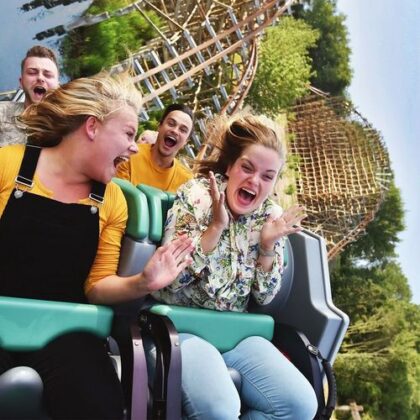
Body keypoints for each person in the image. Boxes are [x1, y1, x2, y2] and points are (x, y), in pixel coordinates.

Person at [0, 72, 193, 419]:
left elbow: (96, 285)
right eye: (129, 133)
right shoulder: (8, 165)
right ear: (92, 127)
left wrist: (143, 282)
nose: (135, 147)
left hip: (63, 333)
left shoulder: (112, 199)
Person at [151, 113, 318, 419]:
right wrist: (214, 229)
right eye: (247, 168)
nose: (255, 181)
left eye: (268, 176)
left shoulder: (270, 216)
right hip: (182, 328)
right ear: (229, 166)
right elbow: (170, 280)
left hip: (236, 334)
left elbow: (265, 298)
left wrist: (267, 246)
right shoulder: (197, 196)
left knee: (301, 406)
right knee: (220, 409)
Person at [116, 103, 194, 193]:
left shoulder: (186, 182)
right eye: (171, 124)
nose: (175, 131)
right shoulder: (130, 153)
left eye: (183, 130)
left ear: (186, 142)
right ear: (159, 126)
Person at [0, 45, 60, 147]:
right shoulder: (1, 114)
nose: (40, 78)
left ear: (58, 85)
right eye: (32, 72)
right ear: (21, 82)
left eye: (48, 75)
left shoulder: (71, 122)